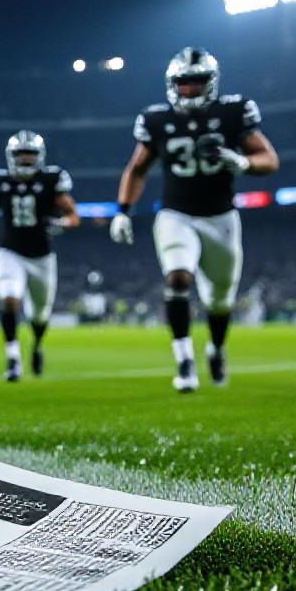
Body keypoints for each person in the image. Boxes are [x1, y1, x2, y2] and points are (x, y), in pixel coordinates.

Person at [109, 47, 279, 392]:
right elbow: (136, 168)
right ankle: (184, 360)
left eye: (196, 82)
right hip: (176, 213)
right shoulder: (156, 119)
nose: (188, 89)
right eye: (183, 83)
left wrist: (243, 162)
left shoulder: (234, 111)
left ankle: (216, 349)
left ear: (211, 83)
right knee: (178, 277)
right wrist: (123, 211)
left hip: (221, 217)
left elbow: (269, 159)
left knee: (220, 301)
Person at [0, 130, 80, 382]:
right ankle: (12, 358)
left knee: (39, 316)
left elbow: (74, 215)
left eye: (30, 155)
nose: (25, 160)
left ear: (39, 156)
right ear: (10, 156)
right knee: (9, 299)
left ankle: (37, 344)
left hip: (42, 256)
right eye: (21, 155)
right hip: (9, 251)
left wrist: (62, 223)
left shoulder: (52, 179)